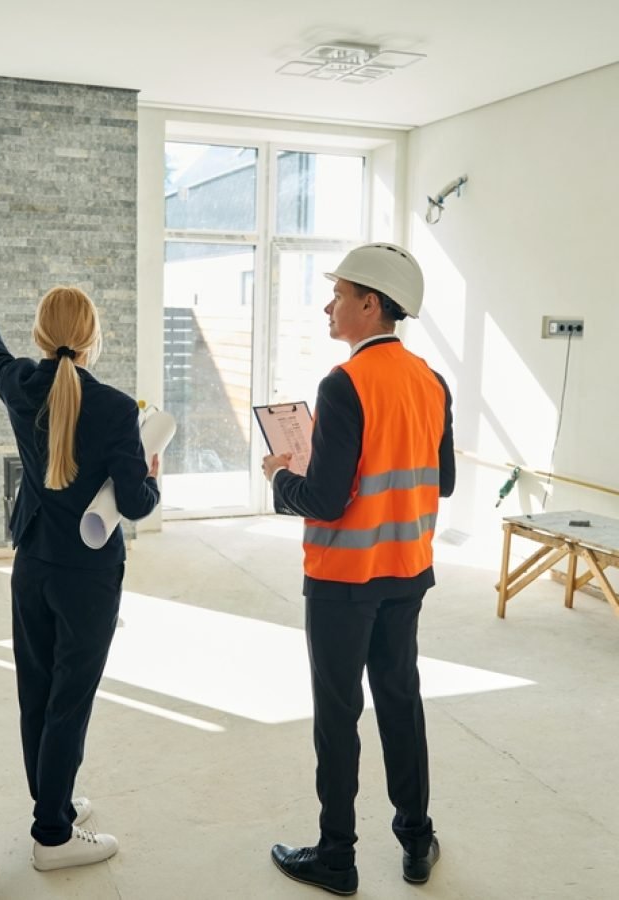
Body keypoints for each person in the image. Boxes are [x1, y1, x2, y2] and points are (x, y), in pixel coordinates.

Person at [261, 243, 455, 895]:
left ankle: (337, 858)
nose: (328, 305)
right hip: (407, 571)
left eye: (338, 294)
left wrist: (284, 474)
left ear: (370, 304)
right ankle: (416, 841)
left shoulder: (343, 384)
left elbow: (325, 498)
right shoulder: (432, 381)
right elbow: (444, 480)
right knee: (401, 701)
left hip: (344, 582)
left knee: (338, 713)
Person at [0, 279, 160, 872]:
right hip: (88, 576)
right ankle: (52, 835)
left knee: (38, 690)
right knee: (70, 699)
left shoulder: (22, 385)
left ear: (41, 338)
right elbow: (135, 501)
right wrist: (152, 475)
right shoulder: (119, 409)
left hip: (33, 564)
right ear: (94, 340)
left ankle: (52, 802)